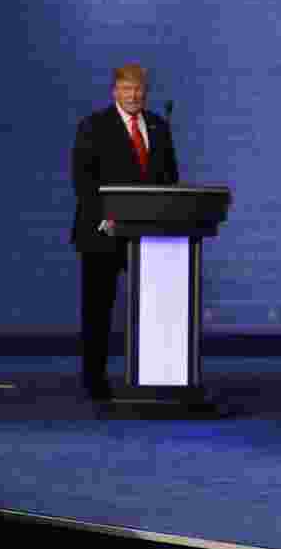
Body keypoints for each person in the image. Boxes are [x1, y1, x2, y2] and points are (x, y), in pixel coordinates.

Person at [70, 63, 180, 400]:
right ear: (114, 91)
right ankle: (94, 380)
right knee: (98, 308)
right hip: (102, 232)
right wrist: (105, 219)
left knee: (156, 306)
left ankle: (158, 375)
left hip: (149, 236)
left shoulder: (159, 127)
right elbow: (84, 180)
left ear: (145, 92)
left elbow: (170, 179)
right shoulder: (93, 126)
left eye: (138, 89)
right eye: (126, 89)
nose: (133, 95)